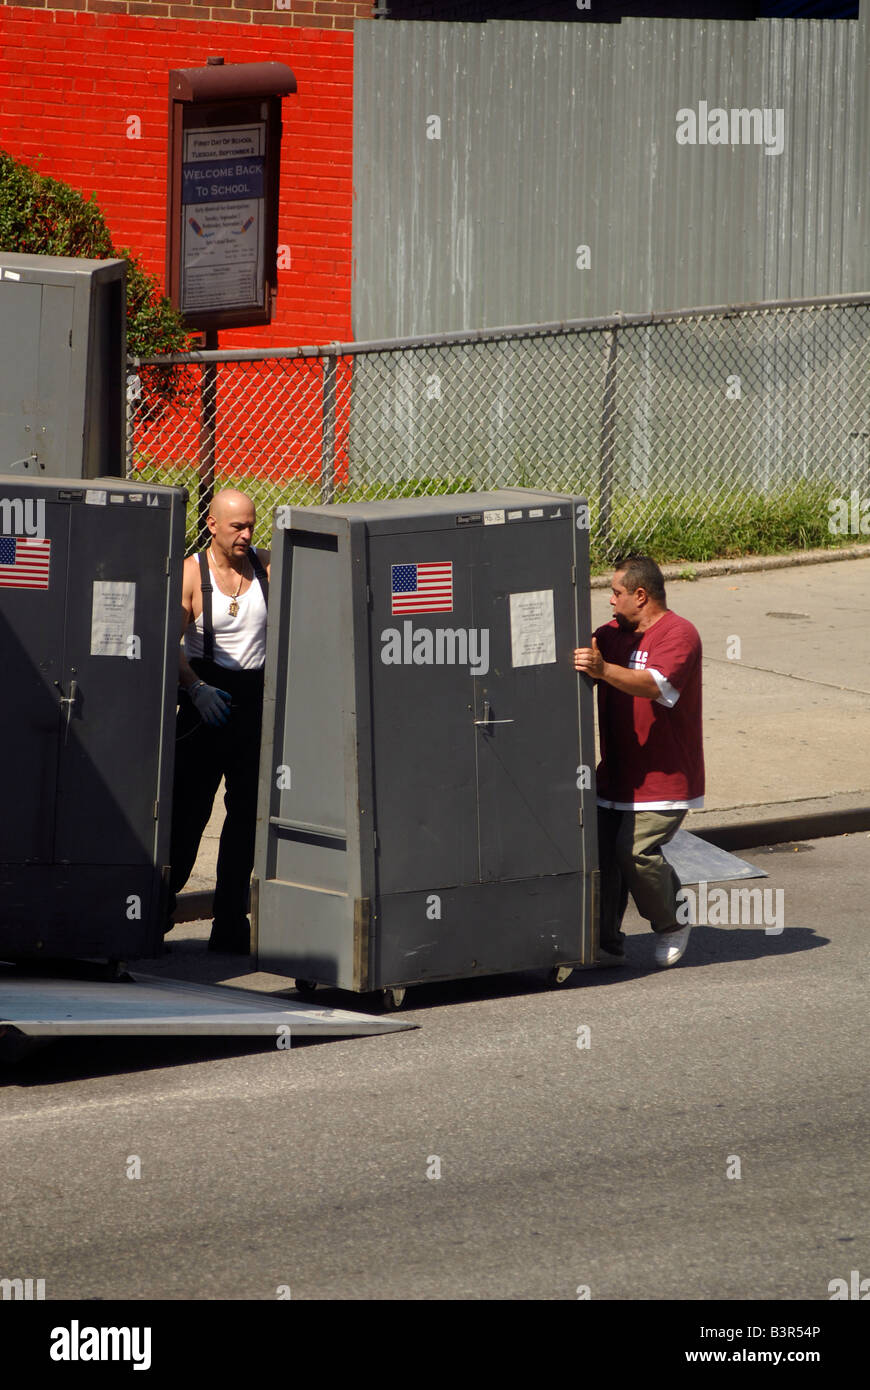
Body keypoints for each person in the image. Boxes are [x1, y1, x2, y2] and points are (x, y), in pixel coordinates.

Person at [574, 555, 704, 968]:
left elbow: (654, 685)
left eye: (616, 593)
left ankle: (672, 922)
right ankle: (606, 944)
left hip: (665, 779)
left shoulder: (679, 635)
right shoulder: (610, 635)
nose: (610, 602)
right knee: (600, 856)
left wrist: (603, 669)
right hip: (615, 777)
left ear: (640, 595)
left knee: (636, 853)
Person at [166, 488, 270, 955]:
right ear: (212, 524)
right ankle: (156, 912)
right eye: (237, 527)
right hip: (205, 704)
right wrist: (195, 688)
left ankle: (230, 923)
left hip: (251, 704)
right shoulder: (192, 574)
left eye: (251, 525)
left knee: (245, 817)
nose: (247, 534)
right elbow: (168, 644)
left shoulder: (266, 568)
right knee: (188, 816)